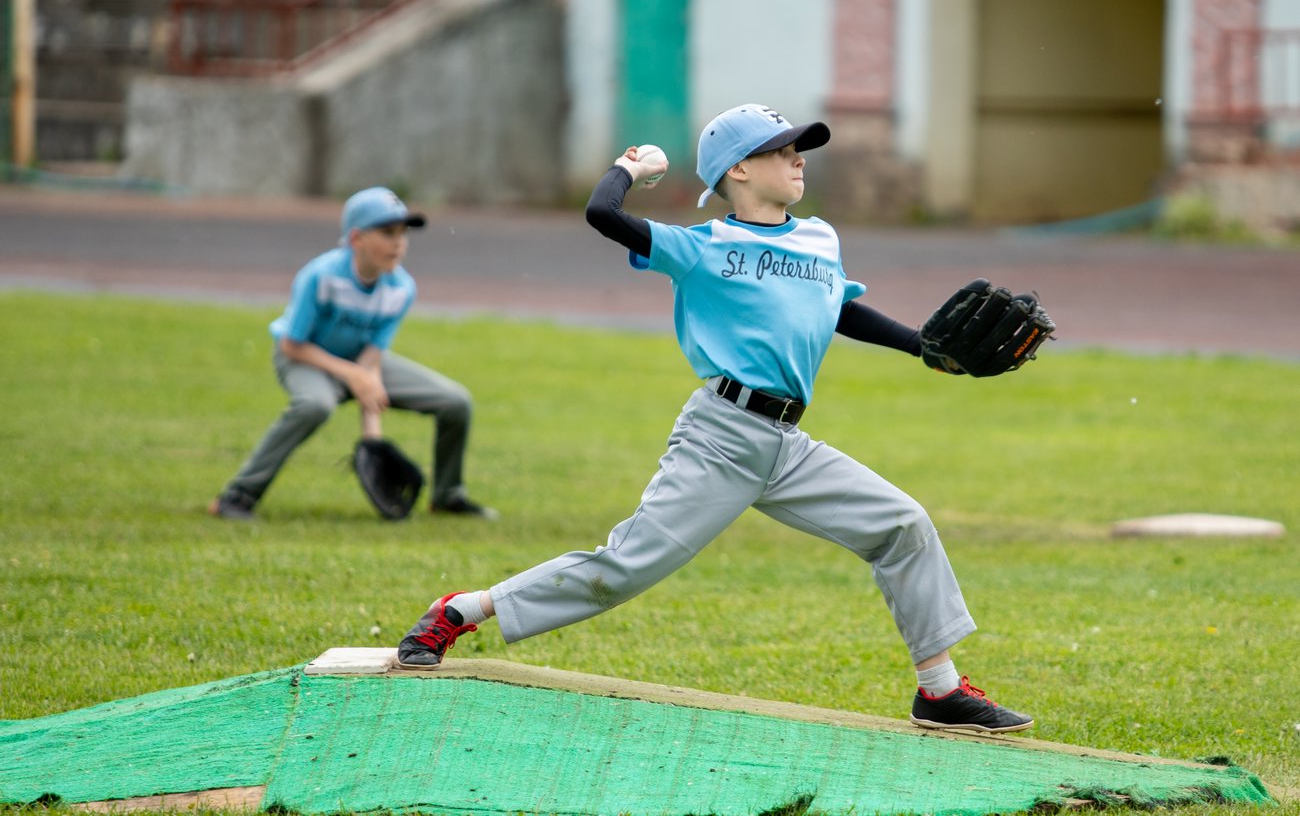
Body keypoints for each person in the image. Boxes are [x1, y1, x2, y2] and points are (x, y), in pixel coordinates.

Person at [395, 105, 1032, 732]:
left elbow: (838, 308)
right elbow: (601, 214)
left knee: (902, 524)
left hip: (787, 444)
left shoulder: (820, 236)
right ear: (740, 171)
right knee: (624, 569)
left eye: (796, 148)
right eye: (781, 150)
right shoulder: (700, 248)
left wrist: (922, 346)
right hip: (721, 438)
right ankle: (461, 610)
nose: (798, 158)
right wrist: (627, 167)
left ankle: (940, 691)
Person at [208, 186, 496, 521]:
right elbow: (291, 344)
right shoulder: (321, 277)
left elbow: (371, 358)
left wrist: (371, 436)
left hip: (361, 365)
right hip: (305, 358)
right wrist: (352, 375)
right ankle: (238, 495)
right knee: (315, 405)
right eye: (387, 233)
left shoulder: (401, 289)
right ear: (357, 238)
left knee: (456, 402)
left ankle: (448, 495)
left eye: (403, 233)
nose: (399, 243)